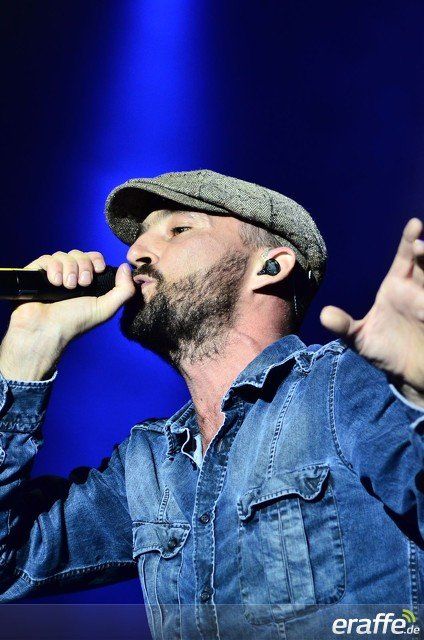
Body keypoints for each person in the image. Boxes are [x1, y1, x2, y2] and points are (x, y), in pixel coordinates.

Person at [0, 169, 422, 640]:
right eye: (138, 238)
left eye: (178, 229)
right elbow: (7, 565)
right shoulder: (149, 463)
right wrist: (27, 350)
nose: (135, 253)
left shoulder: (344, 384)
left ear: (270, 266)